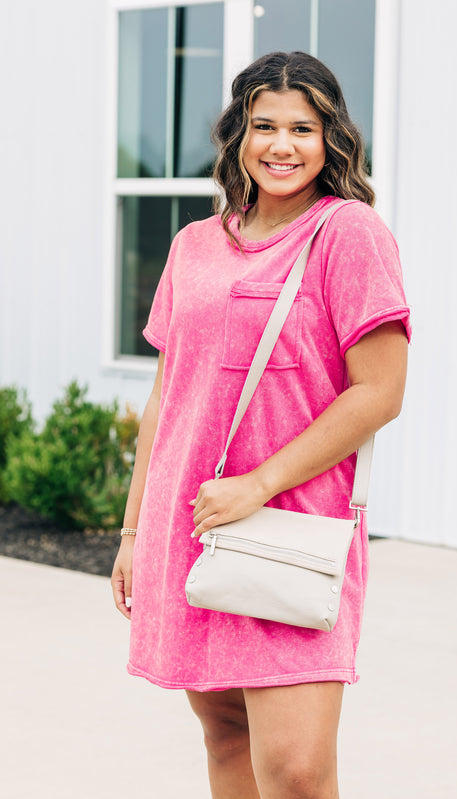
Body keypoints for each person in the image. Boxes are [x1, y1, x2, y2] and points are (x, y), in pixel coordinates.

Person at [112, 50, 411, 799]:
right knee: (226, 739)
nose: (282, 145)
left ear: (330, 139)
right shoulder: (193, 245)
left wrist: (257, 484)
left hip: (288, 530)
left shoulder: (347, 232)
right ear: (237, 136)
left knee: (298, 775)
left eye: (303, 128)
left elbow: (379, 390)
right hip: (190, 525)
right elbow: (164, 398)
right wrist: (132, 532)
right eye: (264, 125)